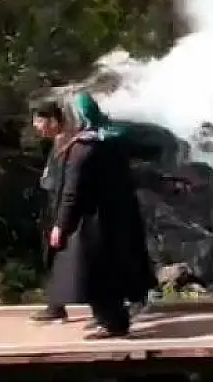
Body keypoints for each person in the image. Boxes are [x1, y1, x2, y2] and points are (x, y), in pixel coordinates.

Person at [33, 91, 156, 339]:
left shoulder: (83, 148)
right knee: (108, 271)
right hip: (115, 216)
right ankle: (113, 320)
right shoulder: (111, 139)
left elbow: (72, 192)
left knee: (94, 273)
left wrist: (61, 225)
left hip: (92, 222)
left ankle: (112, 324)